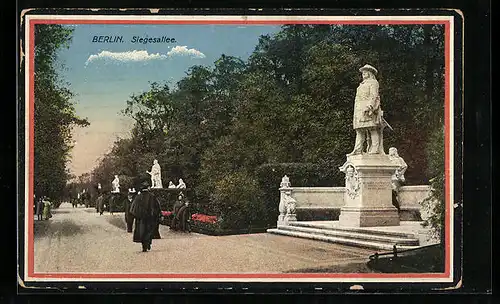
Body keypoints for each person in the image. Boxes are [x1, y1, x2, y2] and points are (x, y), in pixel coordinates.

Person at [348, 64, 385, 155]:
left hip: (368, 109)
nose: (363, 73)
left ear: (370, 73)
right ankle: (357, 149)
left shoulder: (373, 83)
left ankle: (375, 148)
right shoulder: (362, 84)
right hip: (359, 109)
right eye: (363, 72)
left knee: (372, 128)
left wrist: (370, 107)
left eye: (365, 72)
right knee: (359, 130)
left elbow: (374, 96)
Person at [129, 182, 162, 252]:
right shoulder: (152, 196)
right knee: (149, 231)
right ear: (147, 188)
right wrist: (157, 214)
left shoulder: (138, 197)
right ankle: (148, 243)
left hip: (141, 218)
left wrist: (136, 216)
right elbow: (157, 207)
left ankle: (144, 246)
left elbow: (133, 208)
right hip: (150, 218)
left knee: (142, 232)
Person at [388, 147, 408, 211]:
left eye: (392, 150)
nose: (390, 152)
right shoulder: (387, 158)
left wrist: (400, 174)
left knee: (393, 189)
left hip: (396, 178)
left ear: (395, 151)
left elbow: (405, 166)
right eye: (390, 150)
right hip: (389, 178)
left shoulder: (399, 159)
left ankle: (396, 206)